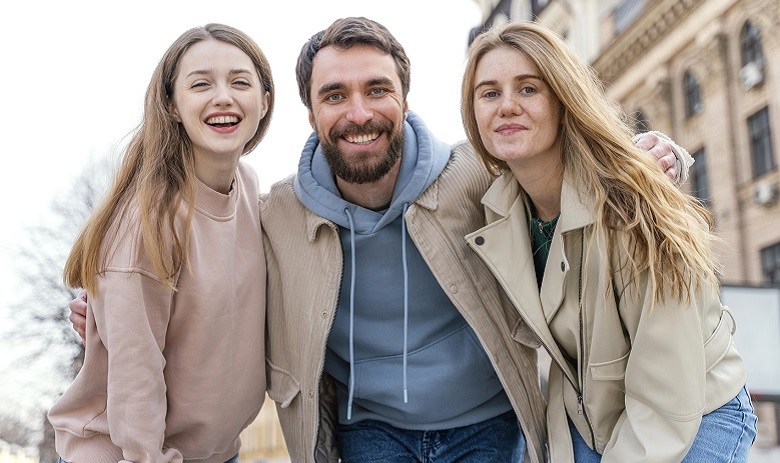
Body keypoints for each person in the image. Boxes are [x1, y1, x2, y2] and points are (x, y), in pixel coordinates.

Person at [69, 17, 687, 463]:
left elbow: (557, 173)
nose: (357, 111)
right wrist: (118, 314)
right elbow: (186, 286)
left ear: (405, 99)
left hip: (489, 425)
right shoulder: (276, 211)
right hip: (371, 434)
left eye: (376, 90)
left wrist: (651, 157)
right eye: (334, 95)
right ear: (309, 113)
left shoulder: (474, 174)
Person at [461, 21, 757, 462]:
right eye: (489, 93)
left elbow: (667, 385)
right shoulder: (499, 211)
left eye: (528, 89)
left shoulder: (631, 204)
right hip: (593, 415)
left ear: (564, 100)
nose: (506, 106)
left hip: (695, 408)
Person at [49, 23, 273, 463]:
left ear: (264, 101)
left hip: (215, 453)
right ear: (171, 105)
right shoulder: (146, 225)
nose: (223, 96)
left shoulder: (247, 188)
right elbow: (137, 386)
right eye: (201, 84)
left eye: (240, 82)